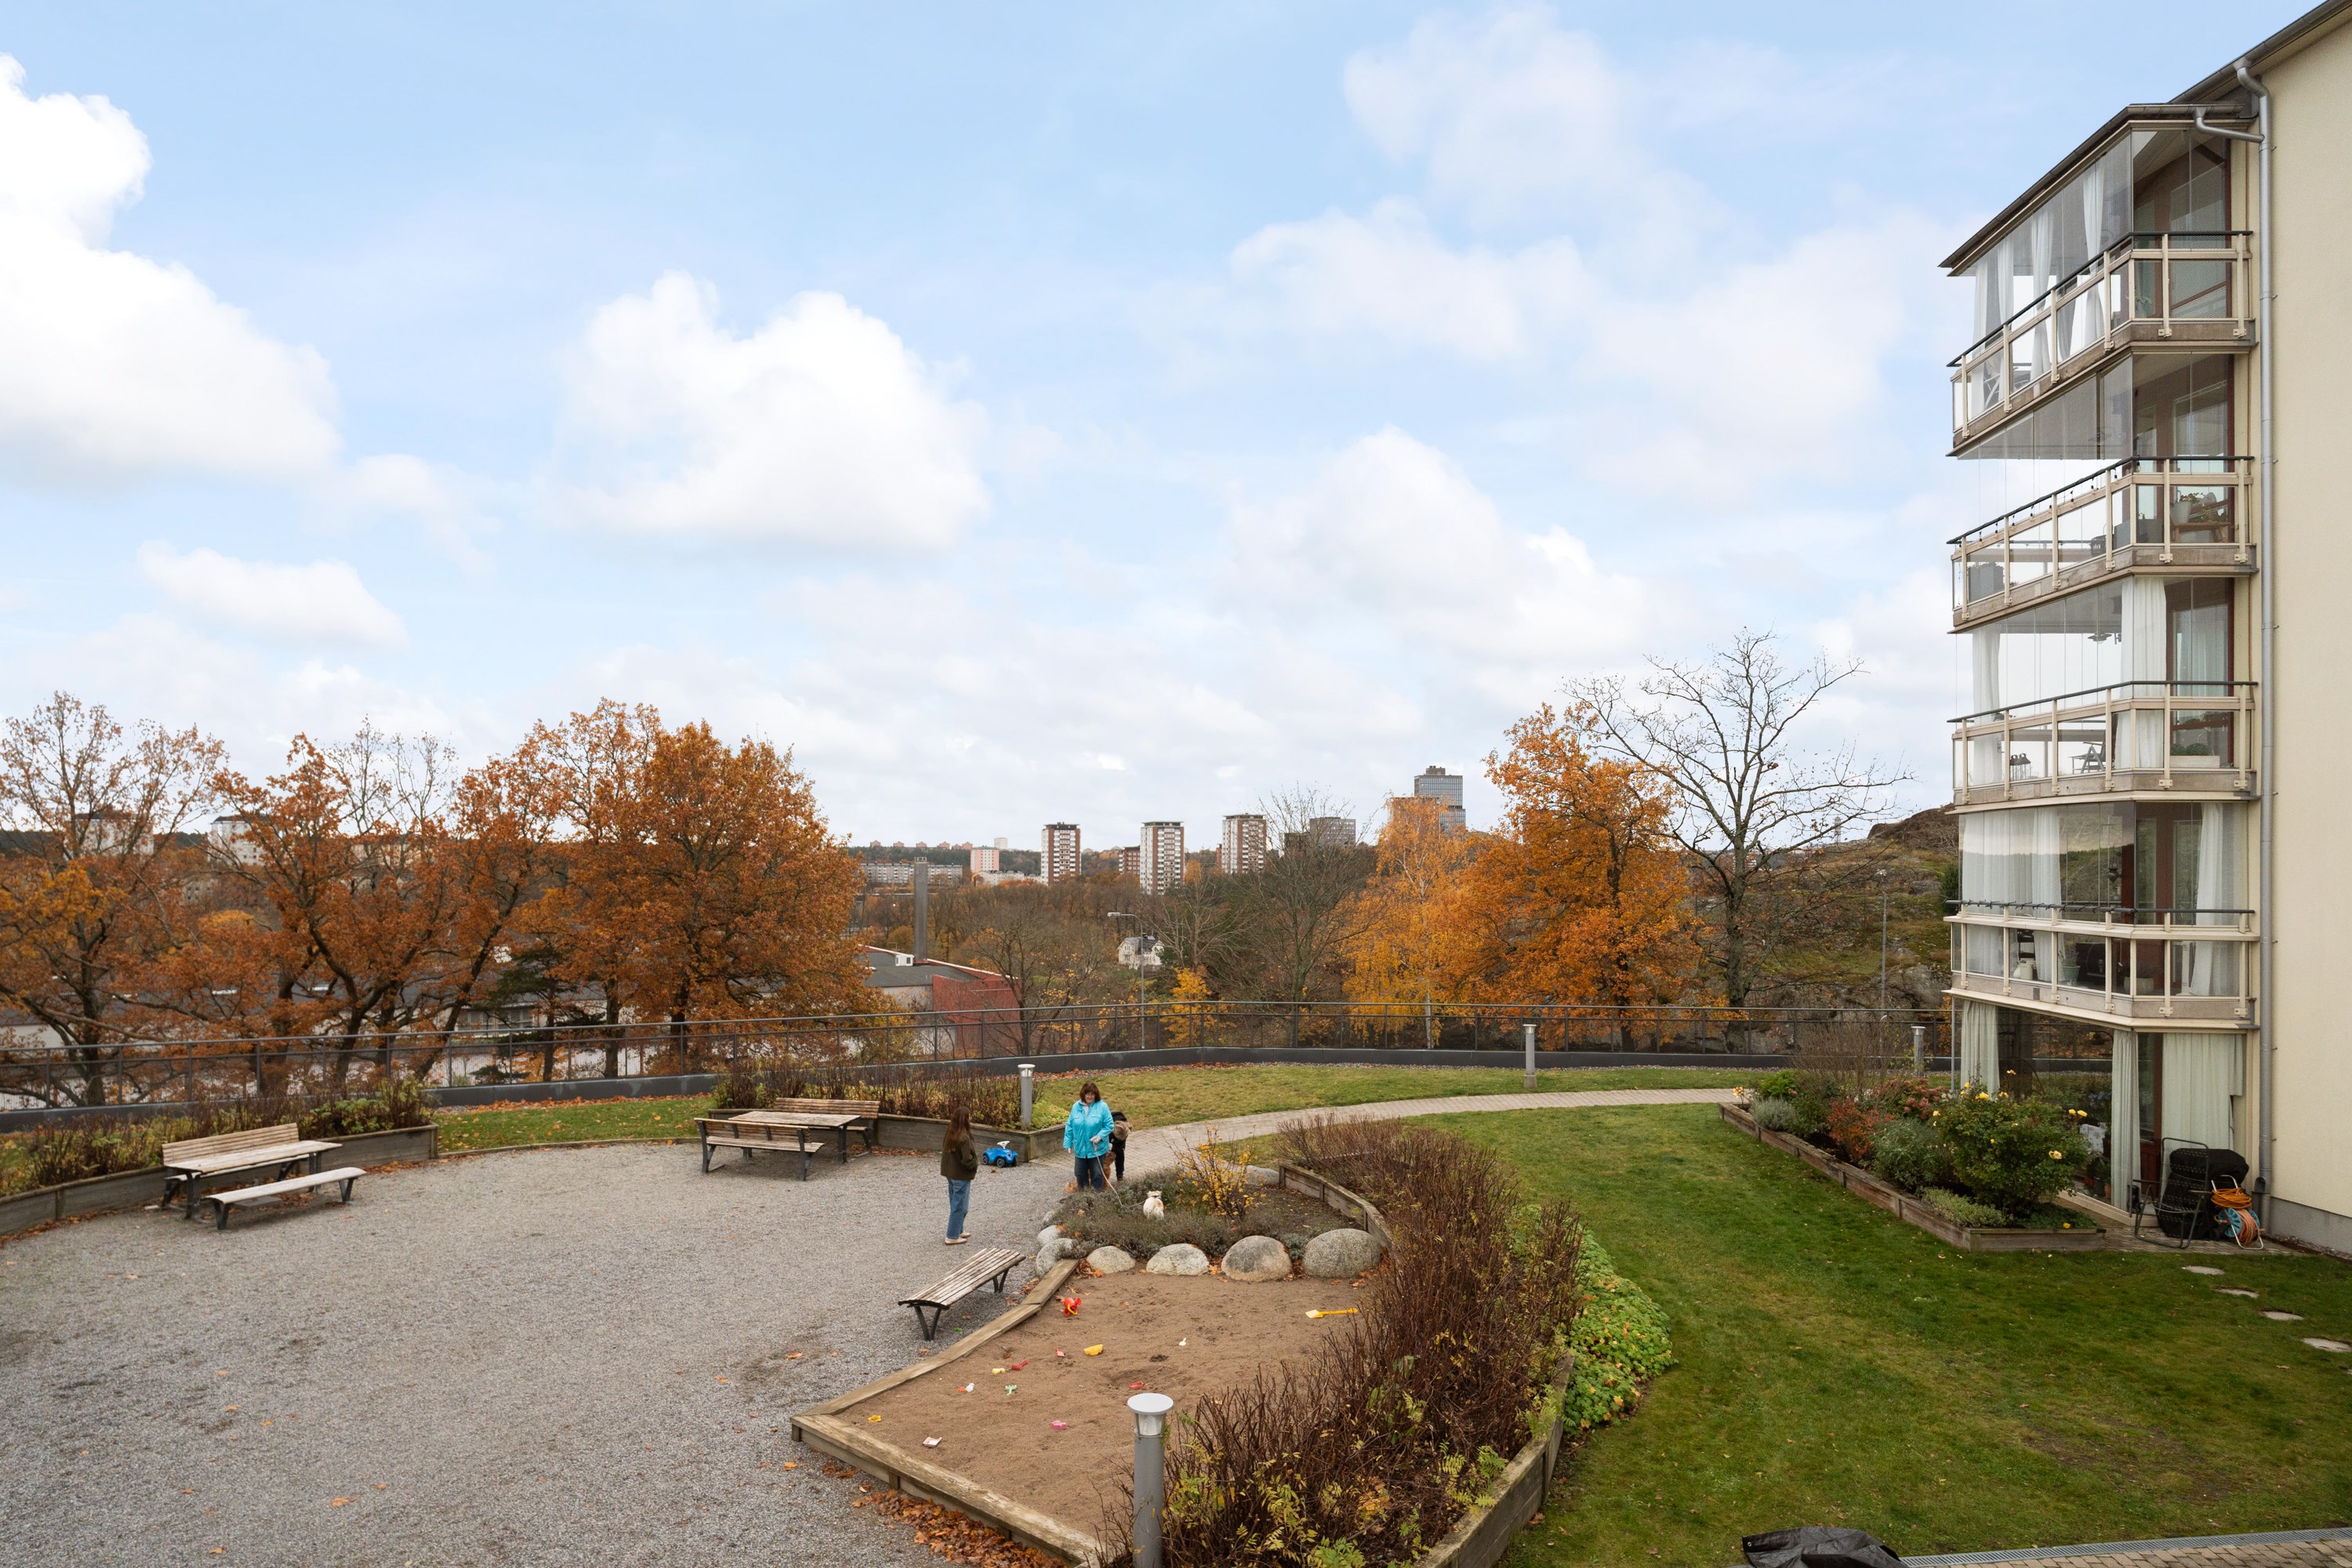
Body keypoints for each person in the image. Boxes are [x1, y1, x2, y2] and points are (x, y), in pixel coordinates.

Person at [1065, 1081, 1113, 1191]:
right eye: (1087, 1094)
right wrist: (1068, 1142)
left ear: (1096, 1095)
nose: (1090, 1097)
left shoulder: (1102, 1106)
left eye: (1092, 1094)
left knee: (1097, 1175)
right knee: (1080, 1174)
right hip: (1080, 1149)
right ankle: (1084, 1197)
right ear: (1083, 1094)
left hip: (1097, 1149)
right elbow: (1070, 1125)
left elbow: (1109, 1125)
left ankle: (1096, 1197)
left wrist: (1100, 1136)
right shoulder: (1076, 1107)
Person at [941, 1106, 978, 1245]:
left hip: (951, 1175)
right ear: (965, 1119)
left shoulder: (950, 1134)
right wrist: (975, 1165)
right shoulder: (964, 1138)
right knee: (960, 1206)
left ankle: (958, 1230)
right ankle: (952, 1236)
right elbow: (967, 1160)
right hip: (961, 1176)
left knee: (956, 1204)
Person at [1109, 1109, 1131, 1185]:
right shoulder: (1106, 1123)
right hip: (1108, 1134)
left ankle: (1120, 1176)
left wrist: (1118, 1142)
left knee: (1119, 1152)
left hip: (1119, 1134)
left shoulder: (1125, 1128)